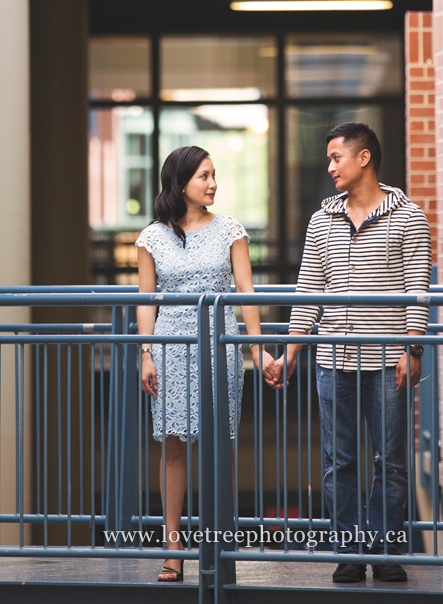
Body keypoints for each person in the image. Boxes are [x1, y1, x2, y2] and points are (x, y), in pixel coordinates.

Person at [270, 122, 431, 585]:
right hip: (333, 362)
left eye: (336, 157)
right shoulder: (323, 220)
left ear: (363, 158)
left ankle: (384, 551)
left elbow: (416, 288)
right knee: (338, 460)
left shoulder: (409, 217)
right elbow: (308, 291)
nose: (329, 166)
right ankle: (347, 551)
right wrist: (292, 351)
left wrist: (412, 347)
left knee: (391, 459)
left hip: (386, 361)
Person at [136, 145, 277, 582]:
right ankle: (173, 549)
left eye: (214, 175)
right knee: (173, 445)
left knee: (222, 446)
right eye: (203, 176)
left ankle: (220, 545)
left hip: (219, 343)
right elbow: (145, 301)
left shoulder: (230, 228)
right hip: (170, 345)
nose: (213, 183)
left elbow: (246, 291)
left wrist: (259, 347)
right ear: (180, 184)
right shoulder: (152, 237)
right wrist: (145, 353)